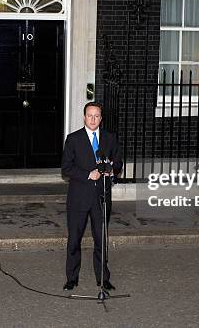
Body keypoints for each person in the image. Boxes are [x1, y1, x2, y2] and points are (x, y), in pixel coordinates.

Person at [61, 102, 122, 291]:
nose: (93, 119)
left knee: (100, 239)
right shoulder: (73, 139)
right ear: (84, 117)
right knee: (74, 239)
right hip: (79, 197)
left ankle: (103, 278)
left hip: (101, 196)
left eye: (97, 116)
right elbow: (66, 169)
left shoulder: (110, 138)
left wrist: (111, 170)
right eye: (90, 115)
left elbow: (118, 162)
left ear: (101, 118)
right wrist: (88, 174)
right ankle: (72, 278)